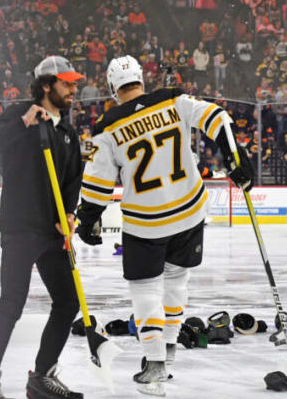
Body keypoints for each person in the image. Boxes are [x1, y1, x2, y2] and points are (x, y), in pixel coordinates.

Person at [75, 55, 253, 396]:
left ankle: (154, 362)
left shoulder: (107, 126)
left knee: (145, 291)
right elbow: (217, 117)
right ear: (141, 79)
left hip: (146, 221)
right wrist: (233, 155)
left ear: (113, 88)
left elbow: (97, 182)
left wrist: (88, 218)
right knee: (176, 282)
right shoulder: (174, 99)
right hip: (189, 211)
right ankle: (169, 352)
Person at [0, 56, 85, 399]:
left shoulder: (66, 131)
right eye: (67, 83)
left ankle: (42, 376)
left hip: (52, 233)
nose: (73, 89)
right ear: (47, 85)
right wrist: (22, 123)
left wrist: (69, 214)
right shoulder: (21, 114)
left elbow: (71, 180)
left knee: (68, 302)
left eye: (74, 83)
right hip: (21, 228)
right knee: (11, 305)